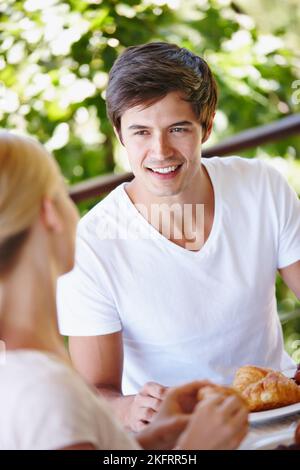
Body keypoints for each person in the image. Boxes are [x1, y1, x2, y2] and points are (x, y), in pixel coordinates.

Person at [57, 42, 300, 432]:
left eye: (178, 129)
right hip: (180, 439)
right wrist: (127, 407)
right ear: (119, 133)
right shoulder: (91, 245)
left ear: (206, 125)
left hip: (281, 420)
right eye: (140, 132)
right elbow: (94, 393)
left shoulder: (261, 187)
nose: (160, 151)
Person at [0, 132, 248, 450]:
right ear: (50, 214)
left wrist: (154, 440)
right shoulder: (46, 391)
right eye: (63, 193)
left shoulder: (21, 371)